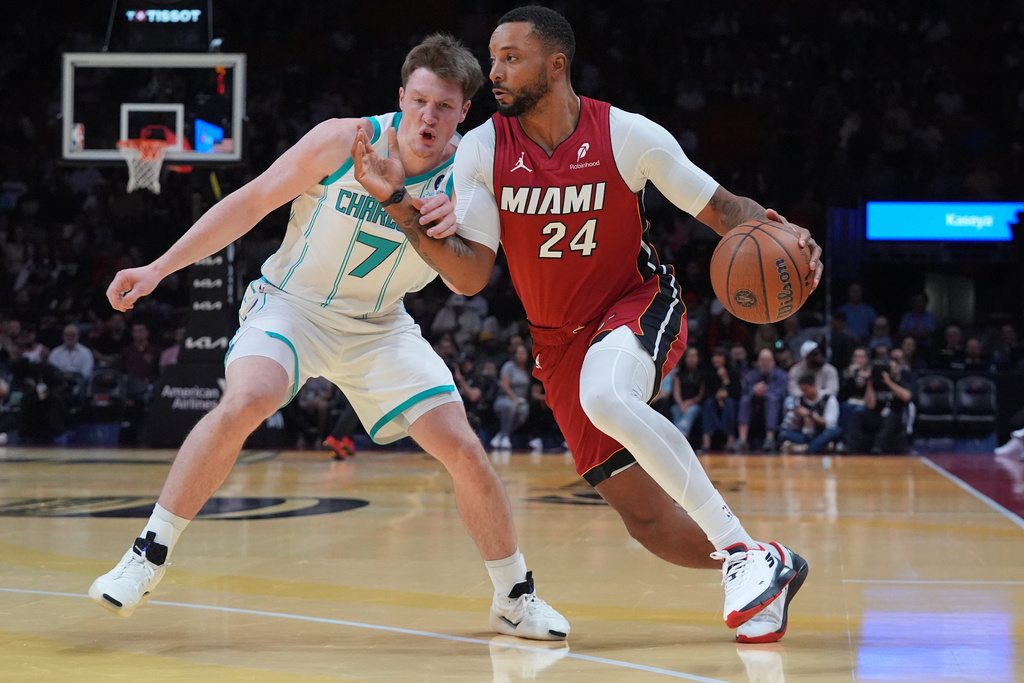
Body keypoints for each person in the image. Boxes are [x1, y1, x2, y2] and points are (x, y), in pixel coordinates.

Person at [350, 6, 818, 642]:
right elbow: (468, 275)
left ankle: (744, 556)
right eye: (494, 59)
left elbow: (724, 209)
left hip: (635, 302)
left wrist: (788, 237)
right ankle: (772, 565)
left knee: (606, 393)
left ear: (556, 64)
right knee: (649, 525)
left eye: (511, 58)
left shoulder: (628, 135)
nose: (495, 73)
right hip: (556, 342)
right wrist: (397, 204)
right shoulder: (485, 148)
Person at [89, 34, 569, 642]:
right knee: (247, 399)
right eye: (419, 100)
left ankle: (514, 597)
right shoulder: (345, 140)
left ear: (463, 111)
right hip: (293, 307)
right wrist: (158, 268)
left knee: (466, 451)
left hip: (381, 325)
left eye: (444, 107)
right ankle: (146, 556)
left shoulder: (472, 175)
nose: (428, 116)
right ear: (401, 96)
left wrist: (440, 232)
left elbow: (472, 281)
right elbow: (252, 200)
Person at [734, 348, 788, 453]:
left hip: (775, 406)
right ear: (758, 362)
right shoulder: (751, 375)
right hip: (754, 407)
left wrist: (765, 392)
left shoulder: (781, 375)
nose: (765, 363)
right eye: (763, 360)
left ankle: (770, 438)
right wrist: (754, 391)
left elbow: (783, 393)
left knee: (772, 399)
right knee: (744, 400)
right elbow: (745, 391)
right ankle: (742, 439)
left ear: (773, 362)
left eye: (768, 360)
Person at [779, 373, 842, 454]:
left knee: (836, 431)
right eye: (802, 390)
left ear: (814, 386)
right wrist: (796, 420)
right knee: (784, 433)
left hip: (821, 433)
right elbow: (791, 425)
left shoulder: (829, 399)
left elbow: (830, 424)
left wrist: (810, 415)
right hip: (805, 434)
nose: (804, 393)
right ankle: (819, 446)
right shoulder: (799, 400)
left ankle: (806, 448)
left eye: (806, 390)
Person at [491, 342, 531, 450]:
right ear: (515, 354)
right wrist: (514, 399)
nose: (521, 355)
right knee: (510, 407)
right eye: (519, 353)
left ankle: (502, 435)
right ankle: (505, 437)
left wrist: (519, 400)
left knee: (523, 412)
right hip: (505, 398)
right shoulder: (509, 366)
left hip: (521, 400)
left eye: (523, 353)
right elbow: (504, 385)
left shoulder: (529, 369)